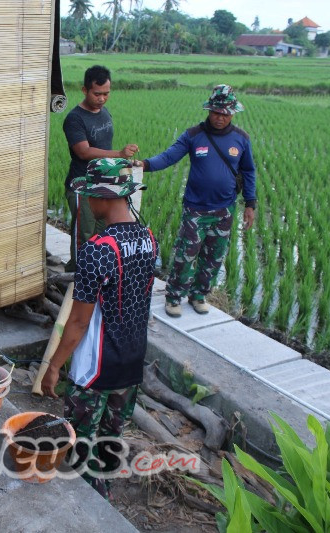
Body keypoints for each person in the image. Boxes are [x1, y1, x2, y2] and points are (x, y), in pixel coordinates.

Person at [42, 158, 158, 498]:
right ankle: (104, 494)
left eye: (90, 195)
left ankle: (89, 506)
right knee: (110, 437)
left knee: (79, 445)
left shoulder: (97, 249)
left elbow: (78, 322)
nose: (88, 203)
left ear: (104, 198)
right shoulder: (148, 238)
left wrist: (53, 366)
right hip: (132, 361)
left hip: (95, 369)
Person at [136, 84, 256, 317]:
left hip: (225, 210)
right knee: (185, 255)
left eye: (225, 113)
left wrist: (250, 204)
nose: (219, 117)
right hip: (196, 210)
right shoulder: (194, 135)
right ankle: (173, 297)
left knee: (213, 257)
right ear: (208, 110)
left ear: (232, 114)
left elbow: (248, 171)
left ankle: (199, 295)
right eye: (215, 112)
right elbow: (169, 156)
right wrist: (146, 164)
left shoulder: (241, 139)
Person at [63, 64, 139, 271]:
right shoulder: (75, 118)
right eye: (97, 94)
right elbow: (84, 152)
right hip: (82, 186)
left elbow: (104, 149)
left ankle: (96, 275)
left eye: (106, 94)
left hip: (104, 187)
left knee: (102, 233)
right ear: (85, 90)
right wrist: (119, 154)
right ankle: (76, 278)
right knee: (84, 237)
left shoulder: (104, 112)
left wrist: (124, 163)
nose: (102, 99)